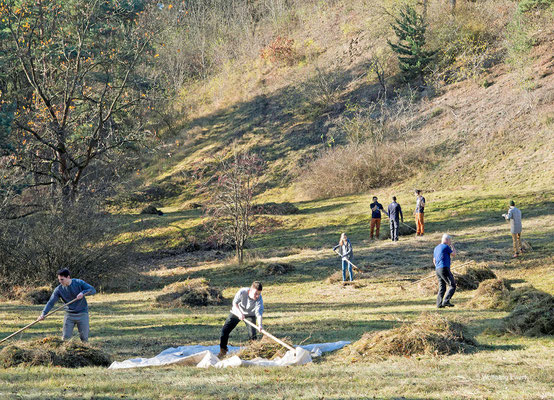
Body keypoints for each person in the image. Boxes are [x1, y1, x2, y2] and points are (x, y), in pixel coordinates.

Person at [37, 268, 96, 342]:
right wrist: (43, 314)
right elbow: (51, 302)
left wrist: (82, 293)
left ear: (68, 277)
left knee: (84, 338)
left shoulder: (78, 282)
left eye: (62, 279)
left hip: (82, 313)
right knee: (65, 338)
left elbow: (93, 290)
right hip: (69, 315)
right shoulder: (59, 289)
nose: (60, 281)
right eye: (59, 280)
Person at [219, 281, 264, 357]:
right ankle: (223, 350)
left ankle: (253, 353)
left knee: (252, 336)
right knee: (225, 330)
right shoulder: (242, 292)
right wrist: (240, 313)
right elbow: (235, 303)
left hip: (250, 315)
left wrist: (260, 325)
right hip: (237, 312)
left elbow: (259, 314)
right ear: (250, 290)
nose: (257, 296)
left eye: (259, 294)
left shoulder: (259, 299)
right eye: (256, 293)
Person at [433, 234, 457, 308]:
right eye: (450, 240)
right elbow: (454, 254)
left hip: (438, 269)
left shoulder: (436, 248)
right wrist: (452, 246)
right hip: (444, 268)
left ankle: (439, 304)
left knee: (442, 287)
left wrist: (437, 266)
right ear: (446, 240)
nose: (450, 242)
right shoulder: (446, 246)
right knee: (452, 285)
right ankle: (446, 301)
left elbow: (434, 260)